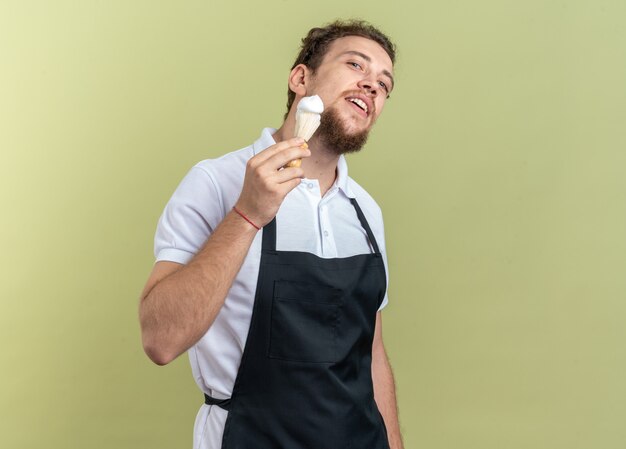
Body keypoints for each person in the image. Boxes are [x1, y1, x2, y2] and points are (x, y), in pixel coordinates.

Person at [139, 19, 403, 449]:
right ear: (301, 78)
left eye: (384, 84)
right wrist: (246, 214)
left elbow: (370, 351)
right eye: (356, 65)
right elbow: (160, 340)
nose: (372, 85)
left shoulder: (365, 211)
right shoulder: (216, 182)